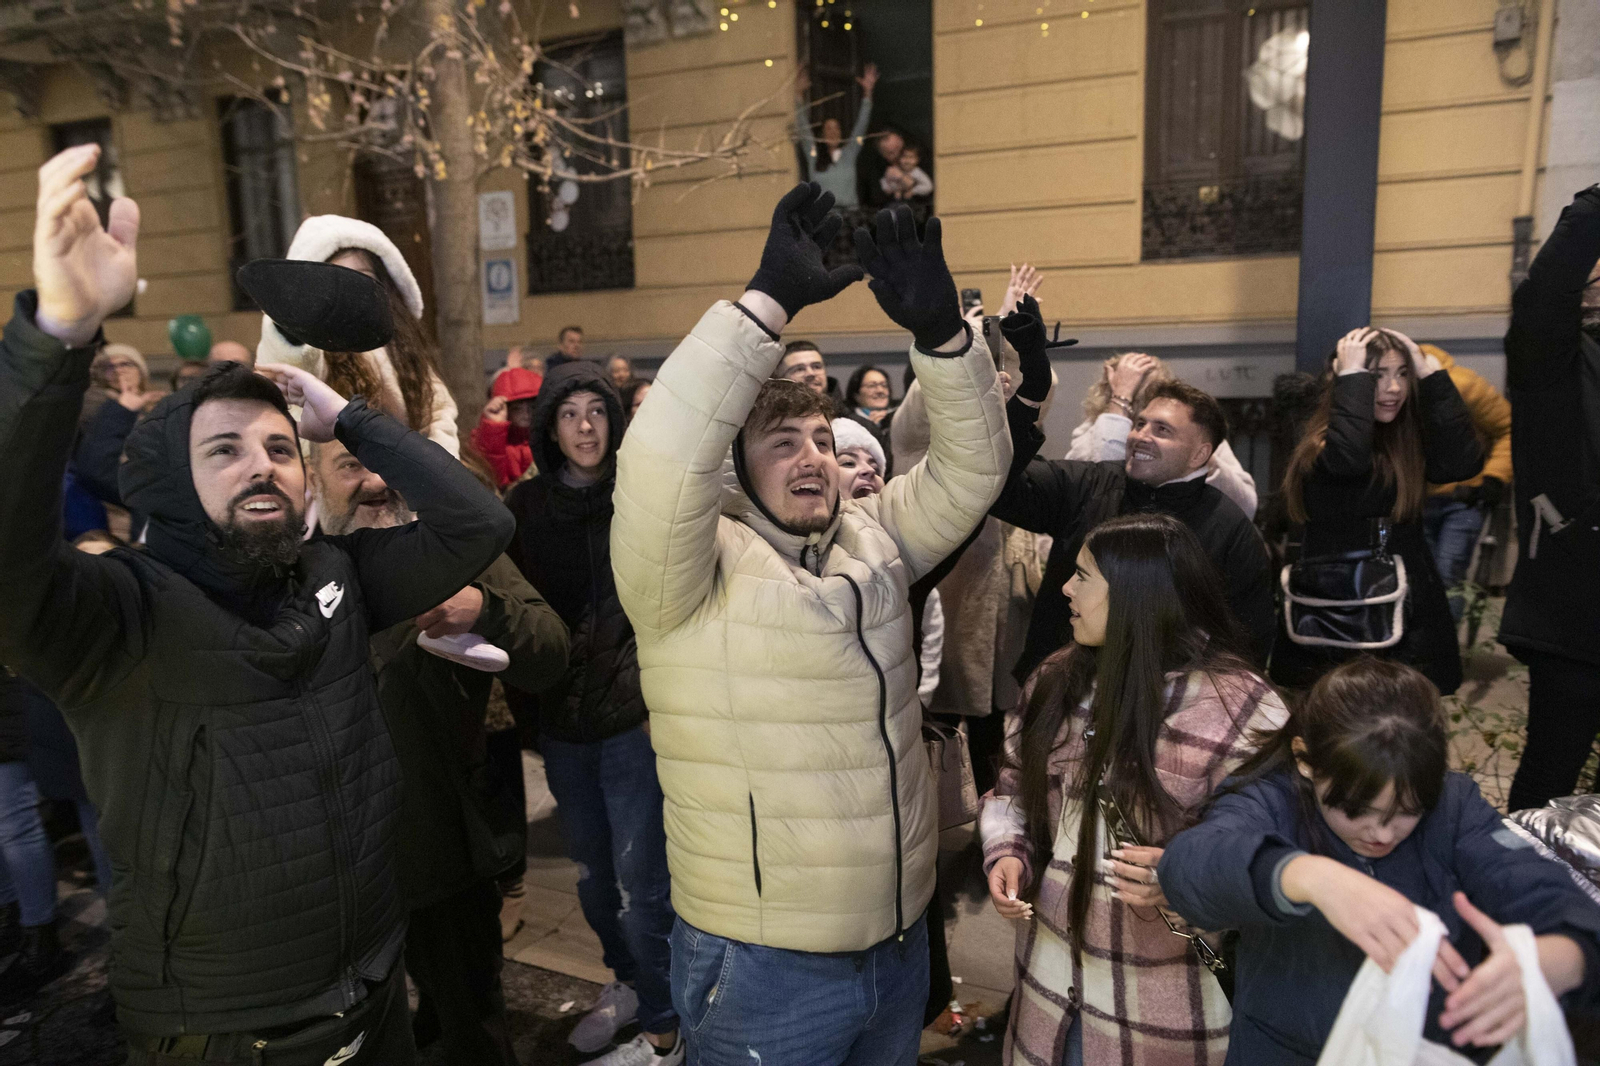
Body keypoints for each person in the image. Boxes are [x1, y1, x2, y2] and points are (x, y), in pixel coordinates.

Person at [0, 144, 514, 1064]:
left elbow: (473, 525)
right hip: (231, 1028)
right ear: (167, 480)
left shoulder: (337, 579)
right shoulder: (115, 617)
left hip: (372, 991)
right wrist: (59, 339)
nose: (261, 465)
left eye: (280, 448)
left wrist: (348, 420)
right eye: (224, 450)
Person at [611, 185, 1009, 1065]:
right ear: (735, 476)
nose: (813, 458)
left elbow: (976, 471)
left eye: (823, 441)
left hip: (899, 947)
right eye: (782, 443)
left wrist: (946, 337)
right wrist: (765, 303)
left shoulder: (875, 539)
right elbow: (659, 457)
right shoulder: (684, 573)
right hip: (764, 967)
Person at [1159, 657, 1600, 1063]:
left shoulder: (1454, 808)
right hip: (1285, 1049)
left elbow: (1537, 886)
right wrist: (1306, 875)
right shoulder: (1271, 800)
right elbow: (1189, 867)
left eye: (1408, 811)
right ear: (1305, 760)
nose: (1382, 834)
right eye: (1355, 809)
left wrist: (1562, 956)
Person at [981, 513, 1287, 1066]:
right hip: (1047, 998)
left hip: (1163, 1021)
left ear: (1136, 593)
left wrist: (1188, 879)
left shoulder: (1238, 708)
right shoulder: (1054, 681)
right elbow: (1009, 791)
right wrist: (1007, 852)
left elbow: (1273, 860)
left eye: (1082, 575)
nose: (1065, 588)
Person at [308, 434, 569, 1066]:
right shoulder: (295, 564)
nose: (374, 481)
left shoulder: (447, 551)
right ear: (314, 479)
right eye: (349, 465)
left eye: (385, 464)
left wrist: (483, 608)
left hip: (442, 843)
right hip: (336, 864)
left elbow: (550, 651)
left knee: (471, 1016)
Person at [504, 361, 681, 1066]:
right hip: (563, 727)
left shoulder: (639, 496)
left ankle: (666, 1025)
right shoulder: (524, 508)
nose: (585, 425)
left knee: (645, 881)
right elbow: (512, 610)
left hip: (628, 724)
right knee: (592, 876)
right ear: (551, 425)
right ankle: (630, 985)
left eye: (597, 411)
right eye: (571, 412)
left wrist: (655, 699)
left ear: (615, 421)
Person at [991, 300, 1276, 676]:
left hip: (1170, 705)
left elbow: (1247, 639)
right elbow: (1000, 488)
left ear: (1200, 454)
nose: (1140, 436)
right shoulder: (1090, 483)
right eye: (1139, 424)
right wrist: (1023, 402)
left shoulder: (1229, 527)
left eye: (1162, 430)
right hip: (1066, 686)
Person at [1273, 327, 1483, 696]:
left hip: (1405, 605)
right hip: (1336, 608)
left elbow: (1462, 463)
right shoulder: (1320, 439)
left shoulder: (1404, 438)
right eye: (1377, 376)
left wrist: (1430, 374)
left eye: (1402, 374)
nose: (1394, 388)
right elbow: (1347, 460)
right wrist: (1351, 377)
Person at [1502, 184, 1600, 812]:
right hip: (1575, 616)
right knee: (1548, 778)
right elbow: (1541, 301)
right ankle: (1516, 899)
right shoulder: (1555, 364)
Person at [257, 214, 461, 456]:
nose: (352, 290)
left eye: (362, 277)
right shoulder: (308, 346)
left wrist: (434, 469)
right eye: (338, 280)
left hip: (404, 482)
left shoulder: (400, 348)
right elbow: (286, 364)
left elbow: (438, 412)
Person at [1068, 351, 1259, 519]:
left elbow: (1246, 506)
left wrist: (1196, 457)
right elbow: (1104, 484)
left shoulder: (1196, 436)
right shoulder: (1094, 430)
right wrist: (1121, 398)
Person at [1419, 343, 1511, 620]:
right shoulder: (1398, 388)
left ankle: (1444, 653)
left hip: (1463, 500)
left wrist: (1495, 477)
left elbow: (1509, 428)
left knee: (1448, 575)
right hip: (1417, 501)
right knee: (1424, 578)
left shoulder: (1465, 386)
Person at [795, 64, 878, 210]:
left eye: (836, 129)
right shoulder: (813, 154)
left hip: (849, 218)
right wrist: (798, 95)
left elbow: (861, 127)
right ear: (821, 134)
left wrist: (867, 93)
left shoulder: (849, 153)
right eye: (828, 129)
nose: (833, 132)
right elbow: (803, 127)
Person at [473, 366, 543, 488]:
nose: (526, 413)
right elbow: (492, 478)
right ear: (506, 409)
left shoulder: (547, 434)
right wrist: (494, 427)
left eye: (532, 406)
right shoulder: (487, 436)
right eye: (517, 408)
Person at [772, 338, 845, 412]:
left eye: (816, 367)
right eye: (799, 369)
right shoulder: (766, 421)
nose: (811, 373)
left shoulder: (850, 421)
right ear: (780, 378)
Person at [860, 127, 907, 210]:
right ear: (882, 152)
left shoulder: (909, 159)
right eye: (892, 152)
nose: (898, 155)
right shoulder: (875, 168)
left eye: (900, 149)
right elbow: (876, 197)